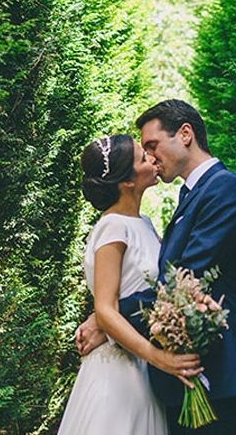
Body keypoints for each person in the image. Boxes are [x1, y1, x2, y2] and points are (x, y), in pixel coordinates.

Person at [76, 100, 236, 434]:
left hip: (215, 374)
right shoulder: (189, 197)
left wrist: (106, 317)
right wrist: (106, 314)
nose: (150, 157)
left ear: (185, 134)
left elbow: (185, 279)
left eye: (152, 145)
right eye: (143, 151)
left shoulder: (225, 190)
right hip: (178, 378)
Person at [58, 134, 203, 435]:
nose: (151, 158)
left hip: (142, 373)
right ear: (127, 182)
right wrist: (160, 358)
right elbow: (106, 310)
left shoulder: (144, 224)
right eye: (142, 156)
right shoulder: (113, 227)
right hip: (118, 376)